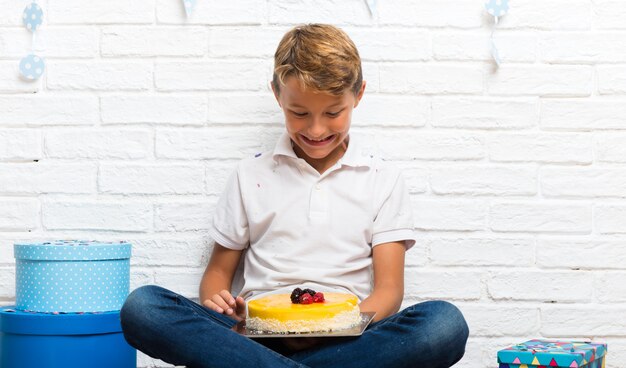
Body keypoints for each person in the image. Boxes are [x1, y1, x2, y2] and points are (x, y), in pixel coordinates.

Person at [120, 23, 469, 368]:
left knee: (444, 324)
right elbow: (216, 277)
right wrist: (223, 304)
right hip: (256, 334)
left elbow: (389, 291)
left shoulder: (383, 179)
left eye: (333, 113)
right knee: (143, 307)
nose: (316, 129)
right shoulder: (250, 175)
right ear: (277, 95)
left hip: (348, 338)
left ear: (358, 95)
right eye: (299, 113)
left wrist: (332, 327)